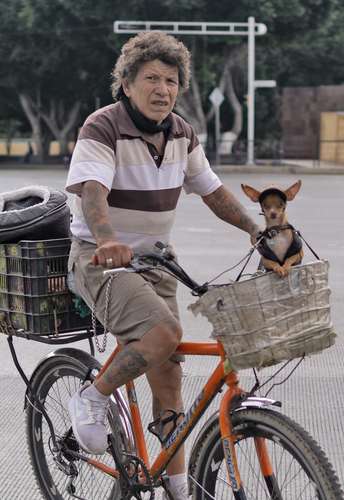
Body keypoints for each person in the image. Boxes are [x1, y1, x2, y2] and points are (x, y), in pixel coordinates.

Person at [65, 31, 260, 500]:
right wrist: (108, 239)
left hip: (156, 263)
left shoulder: (181, 132)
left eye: (171, 81)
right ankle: (92, 396)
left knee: (170, 383)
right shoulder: (102, 126)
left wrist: (257, 232)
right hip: (101, 261)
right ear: (127, 84)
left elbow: (211, 190)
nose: (163, 89)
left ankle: (178, 489)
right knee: (163, 335)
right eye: (151, 78)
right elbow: (92, 189)